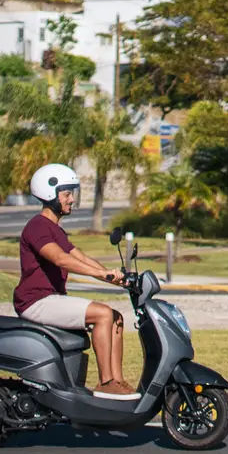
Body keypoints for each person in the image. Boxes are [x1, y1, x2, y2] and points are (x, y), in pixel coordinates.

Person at [12, 164, 135, 398]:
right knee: (102, 314)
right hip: (36, 301)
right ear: (50, 194)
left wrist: (118, 279)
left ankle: (117, 382)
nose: (72, 200)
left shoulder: (56, 230)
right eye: (67, 194)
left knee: (116, 318)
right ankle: (105, 381)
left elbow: (82, 258)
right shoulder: (37, 226)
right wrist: (100, 275)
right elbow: (60, 259)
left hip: (51, 299)